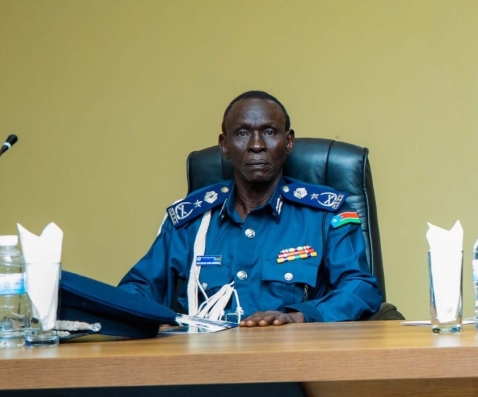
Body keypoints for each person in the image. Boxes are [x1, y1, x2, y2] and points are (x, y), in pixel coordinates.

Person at [119, 91, 382, 327]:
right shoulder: (192, 220)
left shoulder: (325, 212)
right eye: (242, 133)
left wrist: (298, 316)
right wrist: (146, 319)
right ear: (225, 146)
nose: (257, 145)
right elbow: (139, 288)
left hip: (294, 357)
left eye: (270, 132)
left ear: (288, 142)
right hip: (207, 359)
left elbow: (360, 287)